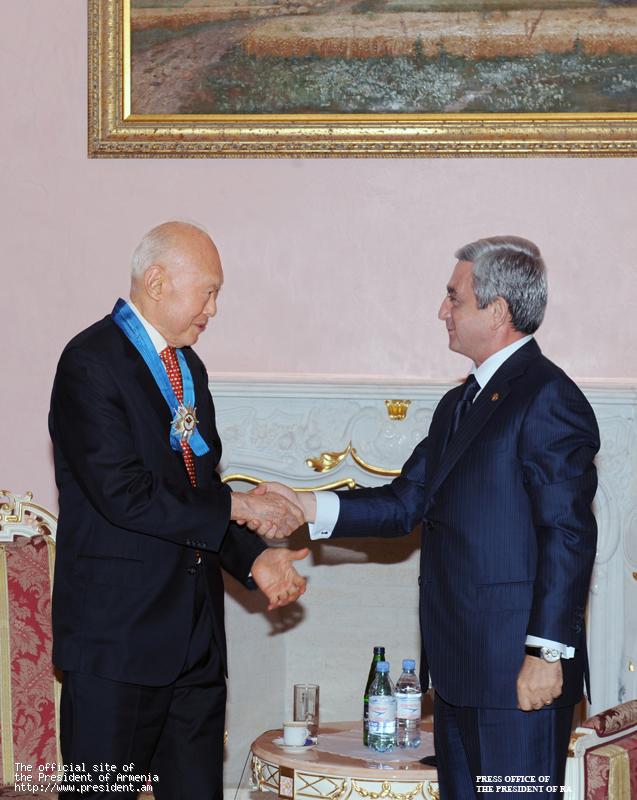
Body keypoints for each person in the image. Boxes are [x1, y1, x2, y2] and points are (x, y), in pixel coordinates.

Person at [258, 236, 599, 798]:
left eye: (454, 298)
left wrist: (545, 653)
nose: (443, 310)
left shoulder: (547, 398)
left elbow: (568, 532)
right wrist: (302, 504)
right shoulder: (459, 404)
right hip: (459, 676)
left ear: (497, 310)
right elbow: (404, 502)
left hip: (518, 678)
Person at [49, 220, 307, 799]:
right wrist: (241, 504)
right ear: (157, 281)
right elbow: (125, 494)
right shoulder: (90, 362)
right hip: (117, 644)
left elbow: (198, 488)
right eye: (208, 291)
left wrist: (254, 559)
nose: (213, 309)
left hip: (195, 644)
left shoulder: (188, 368)